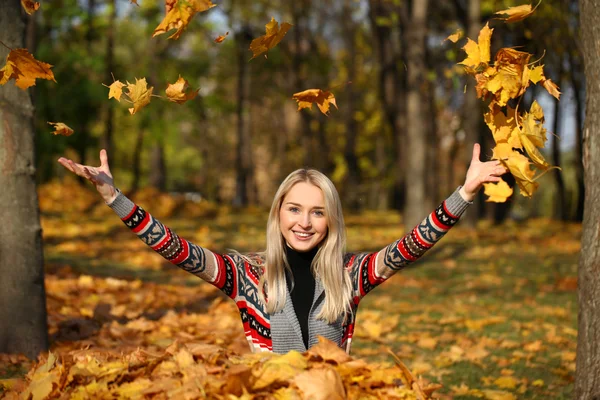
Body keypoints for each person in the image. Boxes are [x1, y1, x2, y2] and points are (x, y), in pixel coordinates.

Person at [57, 144, 507, 354]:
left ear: (331, 219)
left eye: (316, 212)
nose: (304, 223)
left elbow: (410, 247)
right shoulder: (244, 273)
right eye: (294, 209)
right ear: (278, 214)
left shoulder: (351, 274)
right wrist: (115, 198)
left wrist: (464, 194)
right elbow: (177, 248)